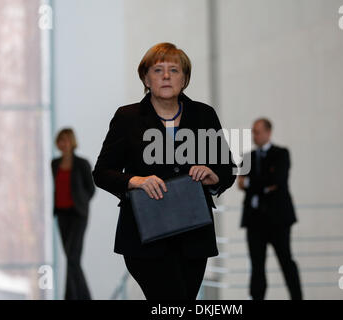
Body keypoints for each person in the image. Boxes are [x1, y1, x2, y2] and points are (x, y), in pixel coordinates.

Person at [92, 42, 237, 300]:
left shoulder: (204, 115)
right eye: (158, 70)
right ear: (146, 78)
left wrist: (214, 176)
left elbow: (227, 170)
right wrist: (135, 180)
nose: (167, 76)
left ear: (185, 78)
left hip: (194, 235)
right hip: (144, 237)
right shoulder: (127, 117)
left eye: (174, 70)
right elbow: (102, 172)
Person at [238, 118, 302, 300]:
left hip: (278, 219)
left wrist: (251, 182)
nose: (254, 136)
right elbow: (241, 183)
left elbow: (277, 181)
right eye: (252, 132)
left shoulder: (281, 153)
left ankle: (297, 296)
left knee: (286, 261)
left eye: (257, 132)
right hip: (254, 220)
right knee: (257, 265)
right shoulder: (248, 157)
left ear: (268, 132)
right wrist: (264, 182)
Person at [51, 128, 95, 300]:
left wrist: (81, 202)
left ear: (72, 142)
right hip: (61, 214)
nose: (64, 144)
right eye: (61, 140)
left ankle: (83, 297)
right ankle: (72, 296)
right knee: (70, 258)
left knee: (73, 257)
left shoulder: (82, 163)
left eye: (67, 140)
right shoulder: (54, 164)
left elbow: (90, 189)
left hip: (78, 214)